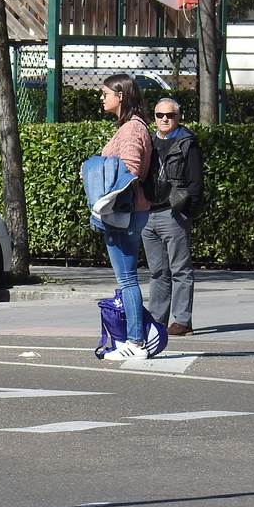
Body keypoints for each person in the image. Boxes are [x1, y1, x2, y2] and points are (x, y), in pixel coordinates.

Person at [96, 73, 154, 359]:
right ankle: (134, 339)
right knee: (127, 278)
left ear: (121, 95)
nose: (102, 97)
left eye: (106, 93)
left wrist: (105, 200)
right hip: (131, 210)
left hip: (124, 212)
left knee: (128, 279)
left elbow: (130, 169)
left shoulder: (132, 129)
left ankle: (135, 342)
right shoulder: (134, 126)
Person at [141, 97, 204, 336]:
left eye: (170, 115)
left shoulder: (187, 142)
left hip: (174, 212)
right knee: (157, 271)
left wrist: (187, 212)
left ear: (179, 117)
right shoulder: (148, 141)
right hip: (149, 213)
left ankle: (182, 321)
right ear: (154, 118)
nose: (165, 119)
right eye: (160, 115)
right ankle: (157, 319)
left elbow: (196, 182)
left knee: (180, 269)